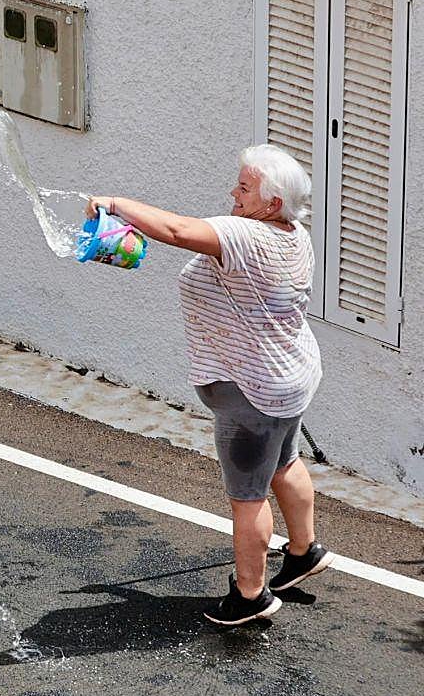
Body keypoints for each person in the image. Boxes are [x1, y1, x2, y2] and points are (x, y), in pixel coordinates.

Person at [88, 144, 329, 627]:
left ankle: (250, 595)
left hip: (252, 393)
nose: (233, 193)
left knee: (248, 495)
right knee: (285, 461)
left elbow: (178, 231)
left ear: (271, 203)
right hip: (289, 377)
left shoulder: (247, 236)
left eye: (243, 187)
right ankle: (303, 553)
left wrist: (115, 205)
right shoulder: (292, 234)